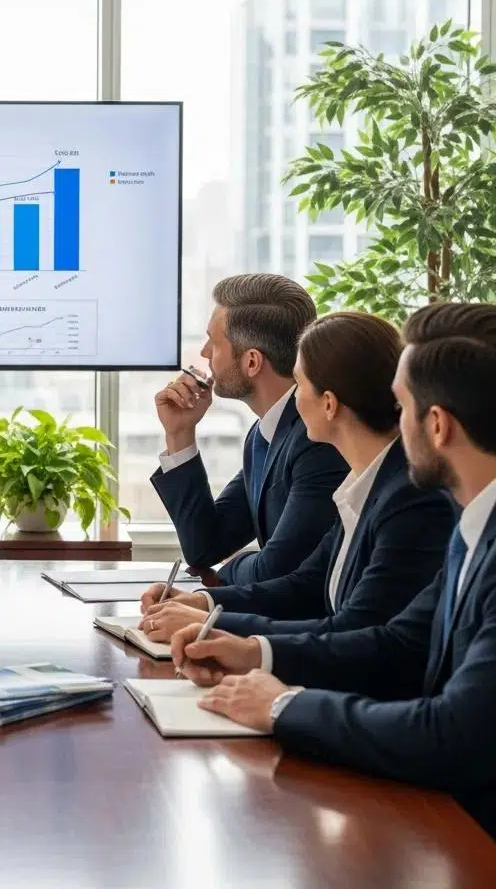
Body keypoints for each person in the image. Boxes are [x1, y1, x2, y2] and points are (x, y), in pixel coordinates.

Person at [170, 303, 496, 839]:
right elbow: (399, 642)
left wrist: (282, 705)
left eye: (401, 405)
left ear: (436, 425)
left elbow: (452, 733)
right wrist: (252, 651)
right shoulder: (471, 524)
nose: (393, 419)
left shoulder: (431, 510)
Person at [137, 312, 452, 642]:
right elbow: (307, 583)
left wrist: (216, 626)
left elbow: (357, 630)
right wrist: (203, 601)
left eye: (299, 384)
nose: (293, 397)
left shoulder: (407, 497)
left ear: (328, 404)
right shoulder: (359, 485)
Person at [149, 274, 348, 585]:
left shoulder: (317, 441)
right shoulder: (264, 433)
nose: (203, 353)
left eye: (213, 342)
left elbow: (277, 569)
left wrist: (224, 574)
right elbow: (205, 547)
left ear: (252, 361)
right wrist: (179, 434)